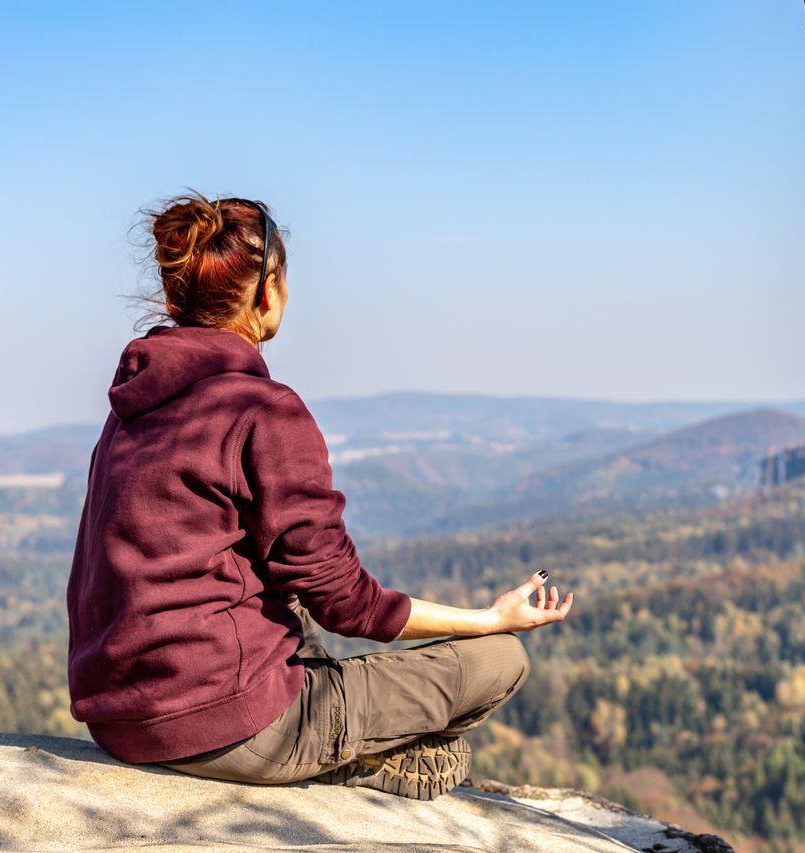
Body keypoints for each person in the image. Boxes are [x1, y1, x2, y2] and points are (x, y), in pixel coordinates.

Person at [66, 191, 574, 800]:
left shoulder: (130, 408)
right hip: (230, 726)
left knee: (288, 603)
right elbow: (346, 603)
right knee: (501, 661)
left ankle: (341, 739)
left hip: (119, 720)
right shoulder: (264, 411)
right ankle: (346, 757)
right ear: (267, 291)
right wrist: (487, 620)